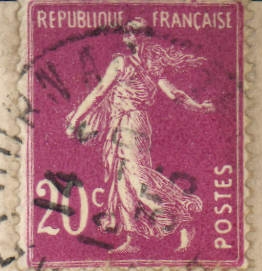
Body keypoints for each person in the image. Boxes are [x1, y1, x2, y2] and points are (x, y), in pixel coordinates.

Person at [64, 20, 214, 253]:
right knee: (122, 179)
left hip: (130, 123)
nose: (128, 37)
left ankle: (183, 220)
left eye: (130, 33)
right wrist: (198, 106)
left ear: (132, 38)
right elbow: (175, 94)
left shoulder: (122, 63)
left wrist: (75, 121)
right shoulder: (150, 66)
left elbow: (99, 92)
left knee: (137, 178)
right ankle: (131, 239)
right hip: (127, 124)